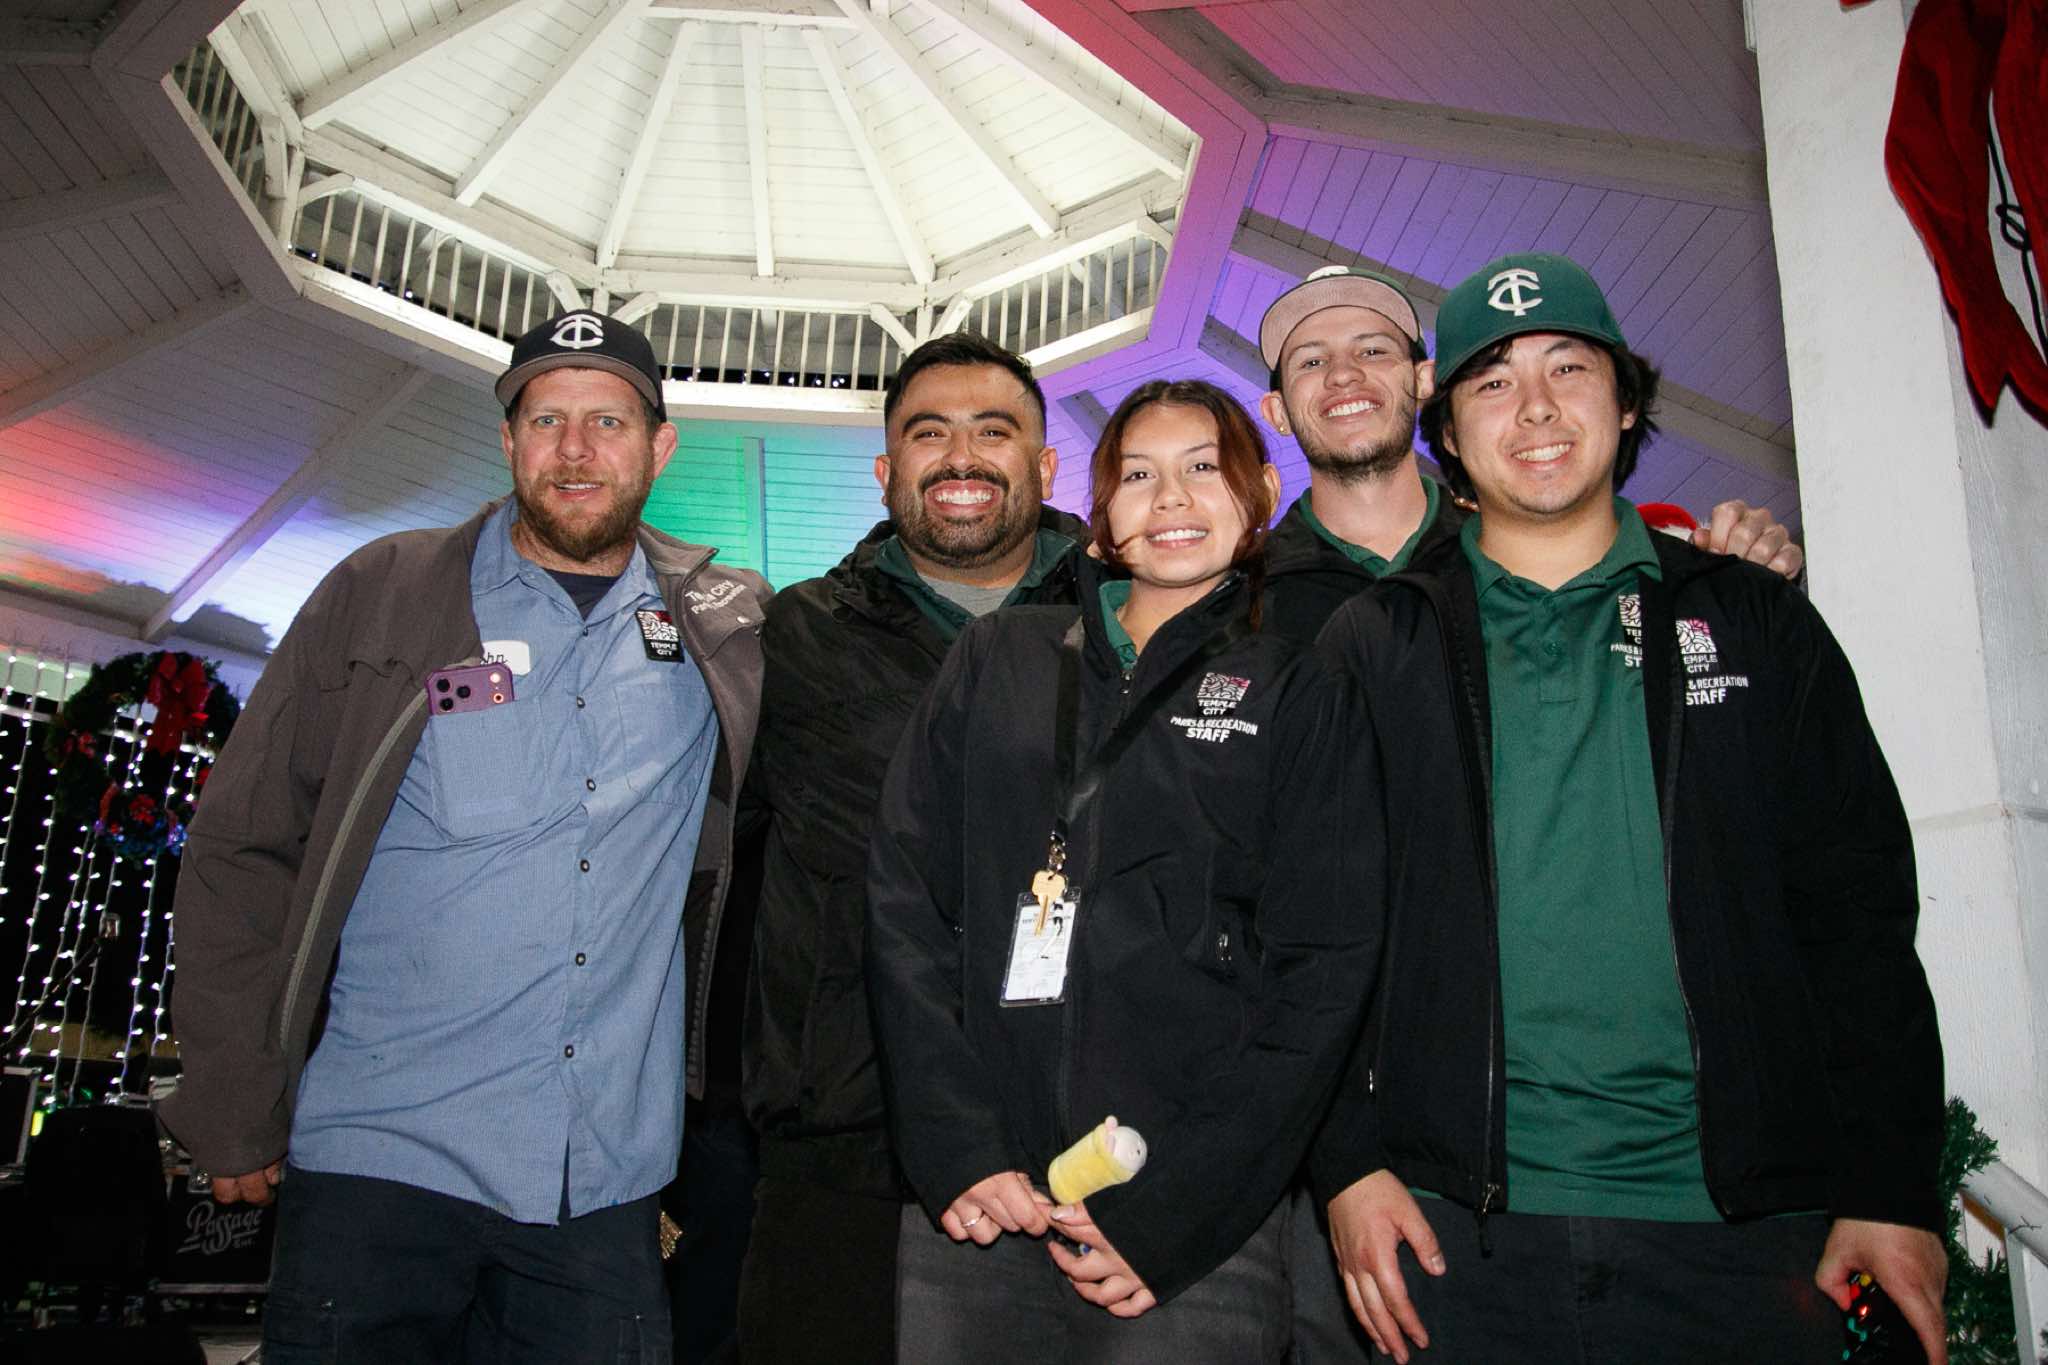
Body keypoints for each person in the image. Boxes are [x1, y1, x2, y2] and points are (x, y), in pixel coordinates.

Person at [1311, 253, 1947, 1363]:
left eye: (1569, 367)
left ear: (1626, 402)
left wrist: (1890, 1188)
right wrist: (1347, 1163)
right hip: (1449, 1233)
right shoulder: (1376, 642)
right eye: (1492, 382)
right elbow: (1314, 927)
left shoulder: (1753, 621)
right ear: (1447, 433)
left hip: (1746, 1234)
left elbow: (1857, 917)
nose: (1536, 407)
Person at [157, 310, 769, 1364]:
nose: (574, 450)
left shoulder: (725, 629)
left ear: (659, 446)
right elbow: (245, 846)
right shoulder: (387, 593)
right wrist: (230, 1098)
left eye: (608, 422)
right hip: (380, 1166)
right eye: (546, 420)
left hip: (600, 1185)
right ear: (507, 439)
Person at [866, 379, 1386, 1362]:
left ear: (1258, 494)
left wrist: (1179, 1210)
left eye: (1203, 468)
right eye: (1138, 475)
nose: (1171, 498)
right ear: (1100, 515)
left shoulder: (1300, 690)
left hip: (1187, 1230)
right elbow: (904, 901)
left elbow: (1322, 973)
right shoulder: (998, 656)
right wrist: (955, 1147)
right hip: (980, 1208)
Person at [737, 333, 1086, 1362]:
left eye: (994, 431)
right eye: (929, 435)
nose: (961, 456)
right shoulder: (797, 634)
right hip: (843, 1130)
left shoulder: (1127, 619)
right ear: (887, 470)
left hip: (1072, 1128)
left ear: (1044, 464)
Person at [1253, 264, 1804, 647]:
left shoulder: (1522, 554)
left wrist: (1733, 582)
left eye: (1373, 350)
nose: (1344, 375)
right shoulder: (1239, 593)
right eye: (1311, 362)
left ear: (1424, 381)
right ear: (1276, 410)